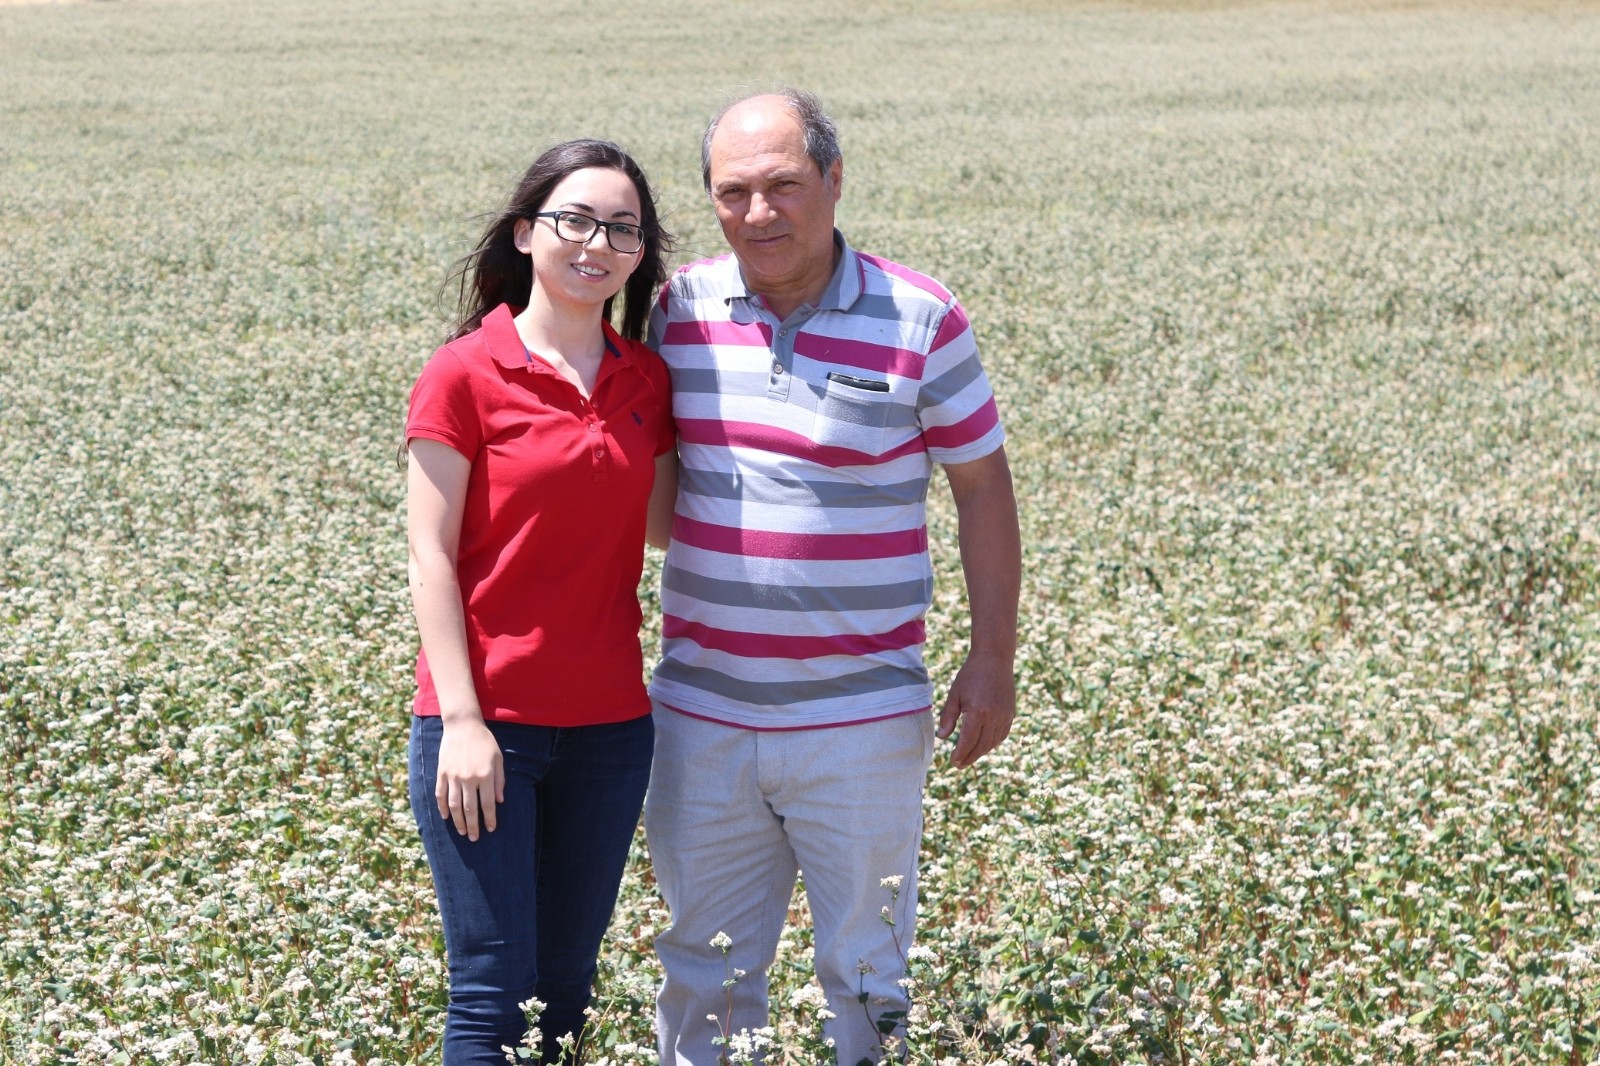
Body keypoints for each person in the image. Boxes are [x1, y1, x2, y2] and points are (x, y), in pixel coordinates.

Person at [643, 89, 1022, 1065]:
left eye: (783, 186)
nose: (759, 213)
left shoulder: (919, 315)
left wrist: (992, 658)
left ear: (835, 181)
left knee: (864, 968)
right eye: (733, 193)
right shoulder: (674, 311)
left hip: (860, 720)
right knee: (701, 966)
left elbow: (982, 489)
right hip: (700, 714)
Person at [404, 139, 676, 1065]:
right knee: (490, 992)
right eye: (574, 220)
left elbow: (670, 525)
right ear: (526, 233)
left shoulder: (647, 380)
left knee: (565, 996)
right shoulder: (464, 372)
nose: (597, 243)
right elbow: (431, 561)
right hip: (487, 729)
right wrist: (465, 722)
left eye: (623, 228)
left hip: (611, 729)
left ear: (641, 253)